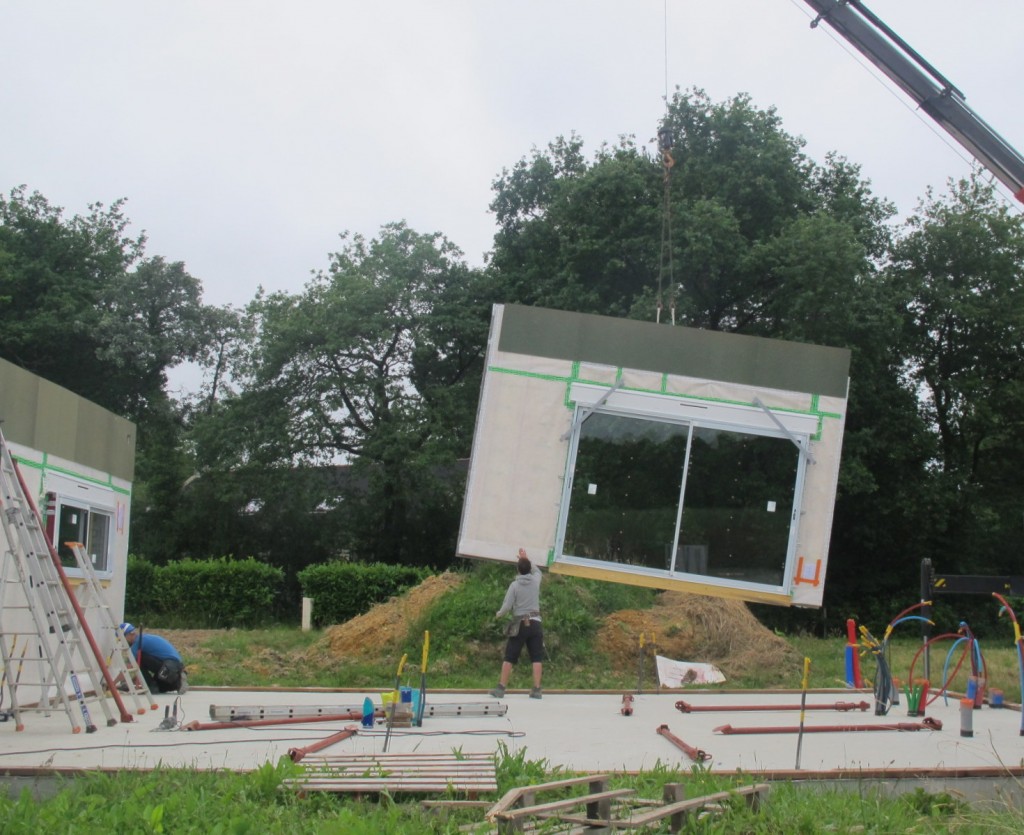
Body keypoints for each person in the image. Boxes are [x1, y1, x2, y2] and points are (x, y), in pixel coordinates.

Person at [490, 548, 545, 699]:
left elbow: (507, 605)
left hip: (520, 623)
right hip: (535, 622)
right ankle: (537, 689)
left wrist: (499, 614)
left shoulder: (514, 585)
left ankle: (501, 688)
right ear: (529, 569)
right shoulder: (535, 581)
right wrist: (526, 558)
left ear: (518, 570)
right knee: (536, 657)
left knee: (510, 656)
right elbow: (538, 572)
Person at [119, 623, 189, 694]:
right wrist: (130, 682)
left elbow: (127, 668)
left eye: (123, 638)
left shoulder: (137, 643)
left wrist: (111, 684)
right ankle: (177, 683)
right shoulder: (144, 638)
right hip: (171, 668)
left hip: (169, 666)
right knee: (159, 687)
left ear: (130, 634)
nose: (123, 642)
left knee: (139, 657)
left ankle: (178, 678)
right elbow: (141, 672)